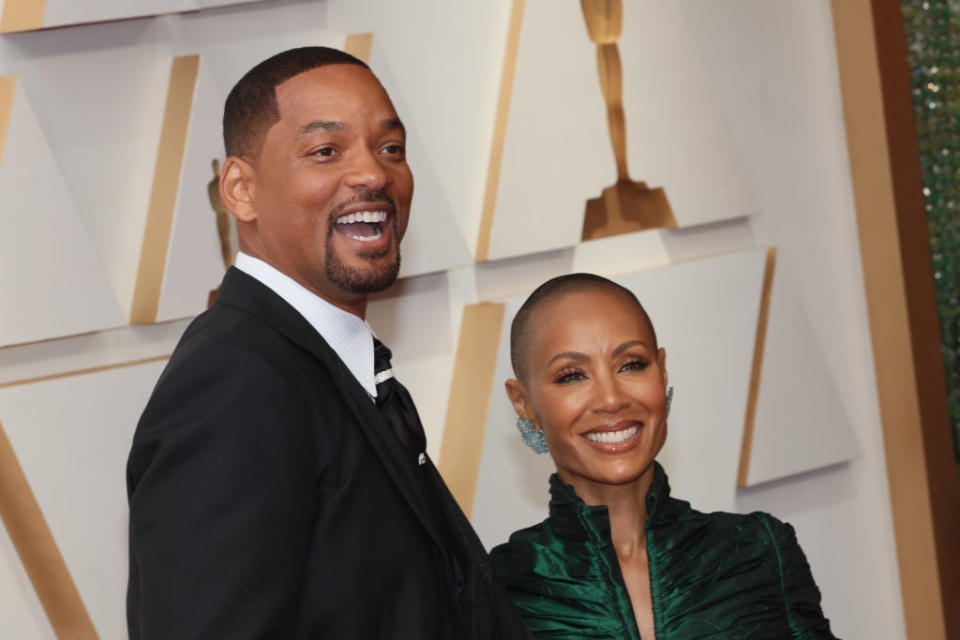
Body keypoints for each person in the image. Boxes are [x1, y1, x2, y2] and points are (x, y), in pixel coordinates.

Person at [126, 47, 528, 639]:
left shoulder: (316, 361)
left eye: (391, 149)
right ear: (240, 189)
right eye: (325, 151)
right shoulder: (235, 383)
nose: (373, 174)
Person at [489, 273, 837, 639]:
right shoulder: (496, 588)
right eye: (573, 375)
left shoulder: (759, 550)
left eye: (631, 364)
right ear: (523, 402)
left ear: (662, 371)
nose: (611, 398)